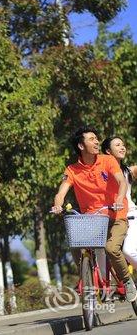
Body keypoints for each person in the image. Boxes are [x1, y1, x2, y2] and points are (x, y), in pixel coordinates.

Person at [51, 126, 137, 302]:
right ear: (81, 146)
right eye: (92, 139)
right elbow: (61, 192)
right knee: (75, 243)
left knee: (111, 249)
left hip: (116, 215)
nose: (97, 141)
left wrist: (119, 200)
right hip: (93, 219)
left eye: (97, 139)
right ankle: (86, 277)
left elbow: (121, 182)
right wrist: (57, 205)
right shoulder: (72, 169)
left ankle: (127, 282)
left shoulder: (107, 160)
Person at [102, 136, 137, 270]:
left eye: (123, 145)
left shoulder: (127, 171)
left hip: (130, 216)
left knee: (129, 251)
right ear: (108, 151)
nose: (122, 147)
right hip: (109, 218)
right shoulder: (101, 171)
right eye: (117, 145)